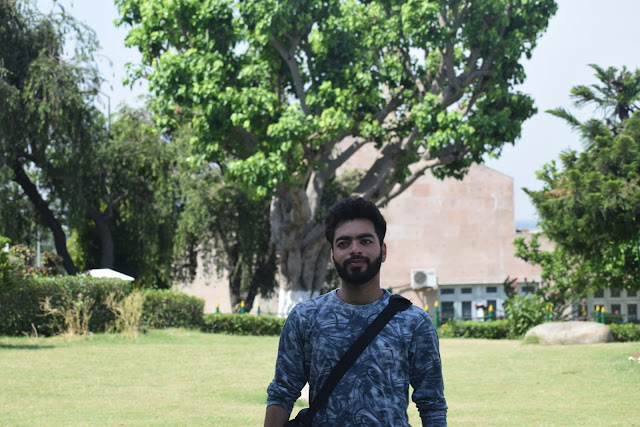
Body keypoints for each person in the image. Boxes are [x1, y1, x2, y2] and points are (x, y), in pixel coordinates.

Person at [264, 197, 447, 426]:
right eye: (343, 243)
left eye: (365, 241)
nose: (355, 250)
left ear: (383, 251)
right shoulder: (306, 317)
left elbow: (432, 403)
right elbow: (282, 392)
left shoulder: (413, 322)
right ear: (332, 256)